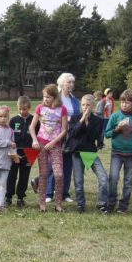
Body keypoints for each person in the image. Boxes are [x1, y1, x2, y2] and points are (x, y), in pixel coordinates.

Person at [104, 89, 132, 214]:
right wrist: (116, 129)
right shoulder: (115, 116)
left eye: (127, 102)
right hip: (117, 153)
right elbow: (107, 134)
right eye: (122, 102)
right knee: (113, 178)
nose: (124, 105)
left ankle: (123, 206)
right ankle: (111, 204)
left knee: (128, 180)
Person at [66, 94, 108, 213]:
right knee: (78, 181)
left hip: (90, 153)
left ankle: (102, 203)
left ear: (93, 106)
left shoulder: (98, 120)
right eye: (83, 105)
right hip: (77, 153)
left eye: (88, 105)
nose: (85, 107)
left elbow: (94, 136)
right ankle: (80, 204)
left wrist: (88, 123)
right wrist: (81, 121)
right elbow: (72, 133)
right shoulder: (74, 118)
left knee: (103, 177)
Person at [29, 84, 67, 212]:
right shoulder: (40, 108)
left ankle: (58, 203)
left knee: (59, 174)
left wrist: (54, 142)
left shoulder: (62, 109)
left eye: (49, 97)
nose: (45, 99)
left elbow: (64, 130)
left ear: (55, 97)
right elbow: (31, 127)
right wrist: (35, 140)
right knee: (43, 174)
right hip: (41, 144)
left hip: (55, 145)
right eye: (44, 97)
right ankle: (42, 203)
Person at [44, 72, 78, 204]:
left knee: (68, 165)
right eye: (69, 82)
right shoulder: (54, 97)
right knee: (53, 164)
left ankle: (64, 193)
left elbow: (77, 116)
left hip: (70, 135)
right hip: (55, 134)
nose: (71, 85)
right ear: (62, 83)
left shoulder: (74, 100)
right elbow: (47, 113)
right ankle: (49, 192)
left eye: (72, 82)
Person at [5, 96, 33, 208]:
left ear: (29, 108)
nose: (22, 111)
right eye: (20, 109)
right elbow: (8, 135)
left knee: (24, 176)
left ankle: (21, 197)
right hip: (15, 152)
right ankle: (8, 197)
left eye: (25, 109)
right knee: (11, 175)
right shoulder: (13, 120)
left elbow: (38, 134)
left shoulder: (34, 120)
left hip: (29, 152)